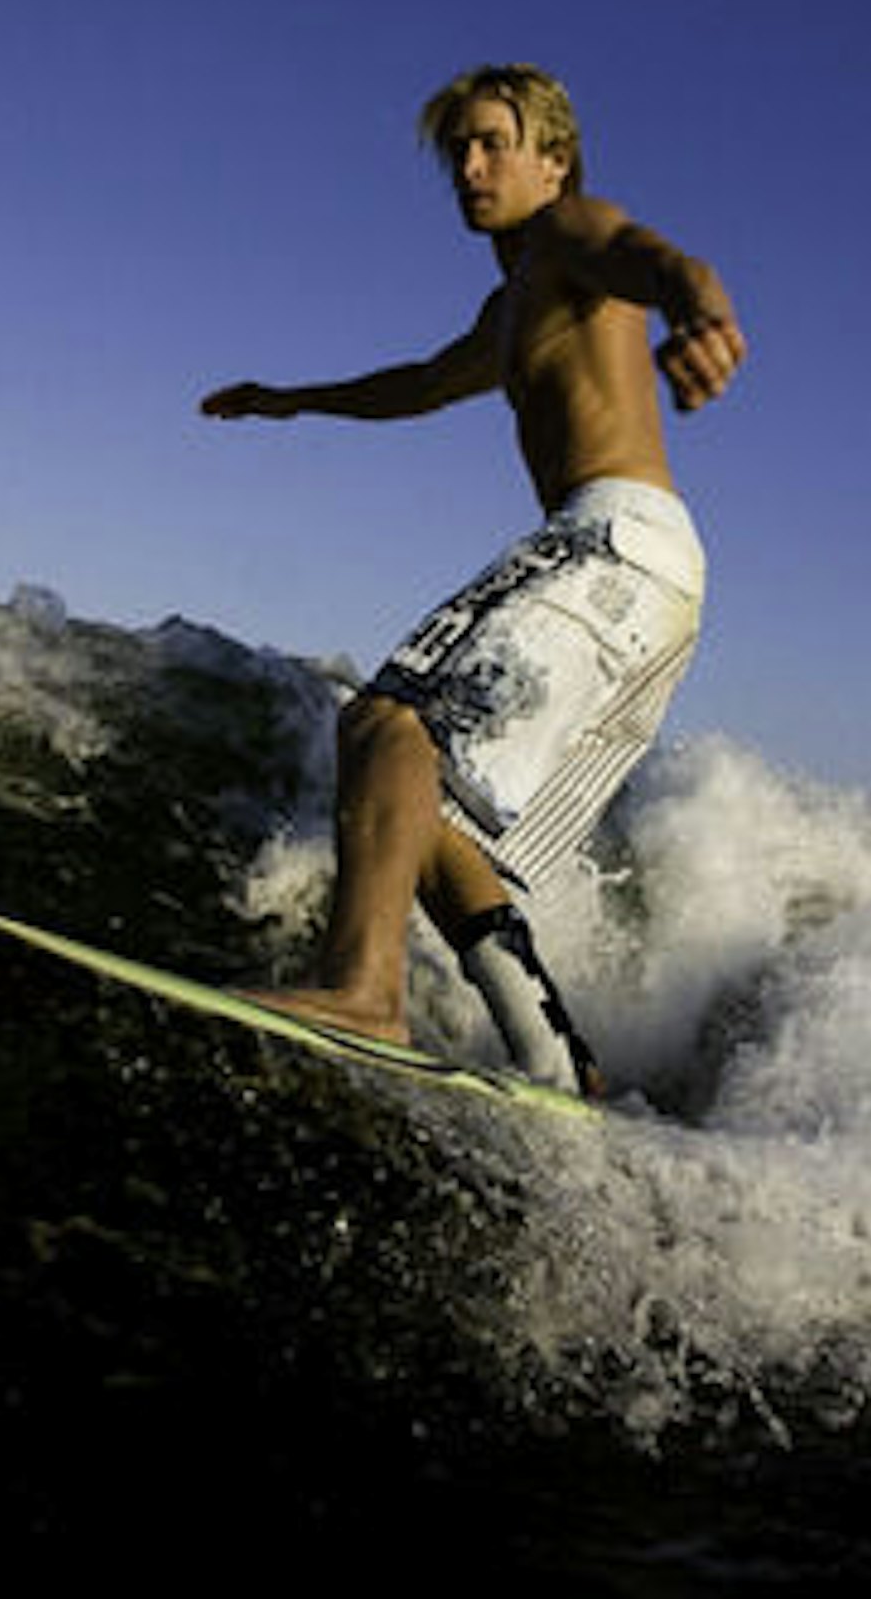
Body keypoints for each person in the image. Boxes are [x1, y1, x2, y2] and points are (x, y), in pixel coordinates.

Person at [202, 63, 745, 1095]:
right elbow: (412, 385)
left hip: (613, 540)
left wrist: (700, 313)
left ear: (552, 160)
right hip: (646, 577)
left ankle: (361, 987)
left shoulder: (565, 233)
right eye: (456, 147)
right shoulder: (510, 306)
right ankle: (551, 1049)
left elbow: (651, 254)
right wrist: (285, 400)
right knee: (428, 815)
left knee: (384, 725)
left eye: (492, 141)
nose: (469, 163)